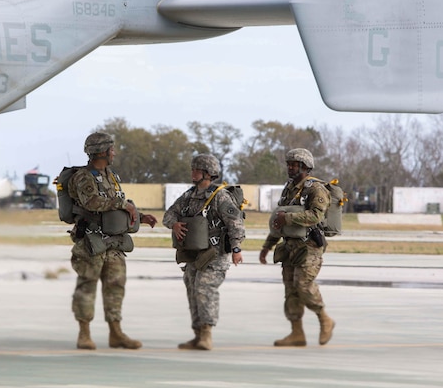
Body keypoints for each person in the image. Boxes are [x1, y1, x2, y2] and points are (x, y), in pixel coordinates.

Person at [68, 132, 158, 350]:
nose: (114, 153)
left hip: (113, 243)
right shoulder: (82, 177)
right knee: (87, 286)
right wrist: (121, 204)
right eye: (112, 149)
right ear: (101, 151)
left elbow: (119, 202)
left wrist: (140, 215)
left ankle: (116, 333)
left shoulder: (111, 175)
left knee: (116, 287)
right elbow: (92, 202)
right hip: (91, 242)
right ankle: (84, 334)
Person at [163, 154, 245, 351]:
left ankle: (207, 333)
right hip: (195, 254)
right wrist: (174, 224)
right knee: (191, 287)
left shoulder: (220, 197)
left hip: (215, 255)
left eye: (196, 170)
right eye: (193, 169)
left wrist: (236, 249)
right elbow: (169, 214)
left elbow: (236, 224)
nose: (192, 173)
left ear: (208, 173)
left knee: (204, 288)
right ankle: (198, 334)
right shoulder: (189, 196)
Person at [258, 148, 335, 347]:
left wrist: (289, 217)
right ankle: (297, 333)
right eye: (289, 164)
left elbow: (316, 216)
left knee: (303, 286)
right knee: (291, 291)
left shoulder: (315, 189)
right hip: (289, 247)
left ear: (305, 167)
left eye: (294, 164)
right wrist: (268, 246)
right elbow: (279, 220)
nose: (290, 167)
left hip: (309, 248)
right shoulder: (289, 188)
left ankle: (324, 319)